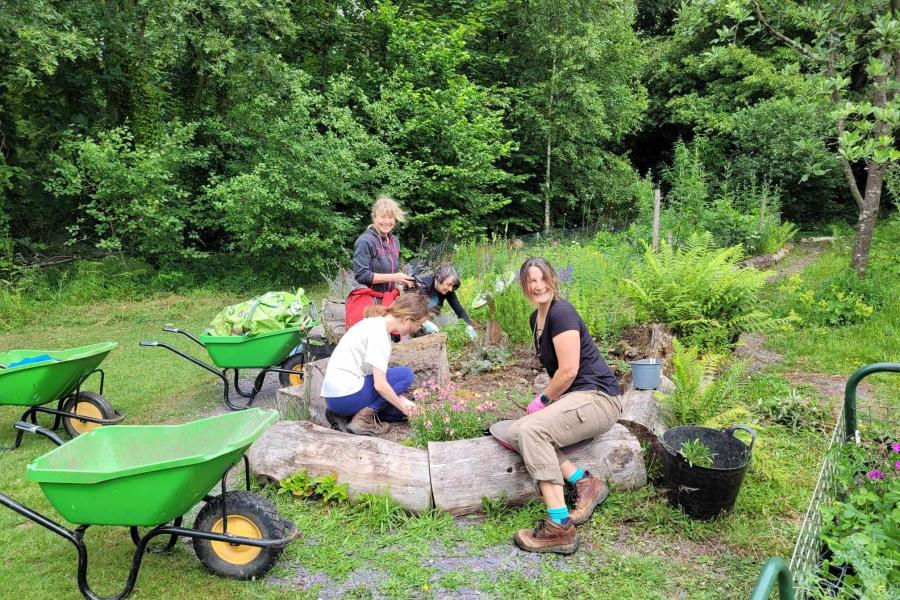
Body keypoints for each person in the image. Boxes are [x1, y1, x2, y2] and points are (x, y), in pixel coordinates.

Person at [505, 257, 623, 554]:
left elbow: (569, 370)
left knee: (531, 431)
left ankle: (559, 527)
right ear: (524, 286)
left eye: (542, 278)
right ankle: (583, 481)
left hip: (598, 398)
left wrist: (543, 400)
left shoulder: (563, 312)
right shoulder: (537, 319)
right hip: (575, 399)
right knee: (512, 432)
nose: (537, 285)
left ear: (553, 279)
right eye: (530, 280)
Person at [321, 293, 429, 436]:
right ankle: (362, 420)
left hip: (334, 399)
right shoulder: (380, 334)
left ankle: (344, 417)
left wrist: (401, 404)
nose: (417, 329)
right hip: (346, 395)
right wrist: (403, 405)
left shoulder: (372, 323)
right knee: (405, 375)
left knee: (396, 413)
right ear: (407, 319)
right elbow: (380, 385)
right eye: (418, 324)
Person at [346, 195, 415, 329]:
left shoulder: (394, 241)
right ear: (374, 217)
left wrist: (402, 279)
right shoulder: (365, 241)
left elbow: (390, 272)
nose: (387, 221)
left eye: (390, 217)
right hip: (369, 305)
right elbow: (362, 275)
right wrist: (394, 277)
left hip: (388, 302)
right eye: (383, 217)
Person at [416, 265, 477, 339]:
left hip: (431, 321)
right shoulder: (422, 285)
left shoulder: (448, 291)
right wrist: (424, 322)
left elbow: (459, 310)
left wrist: (468, 325)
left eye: (452, 286)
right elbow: (411, 309)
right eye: (448, 285)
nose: (450, 289)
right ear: (439, 279)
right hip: (413, 322)